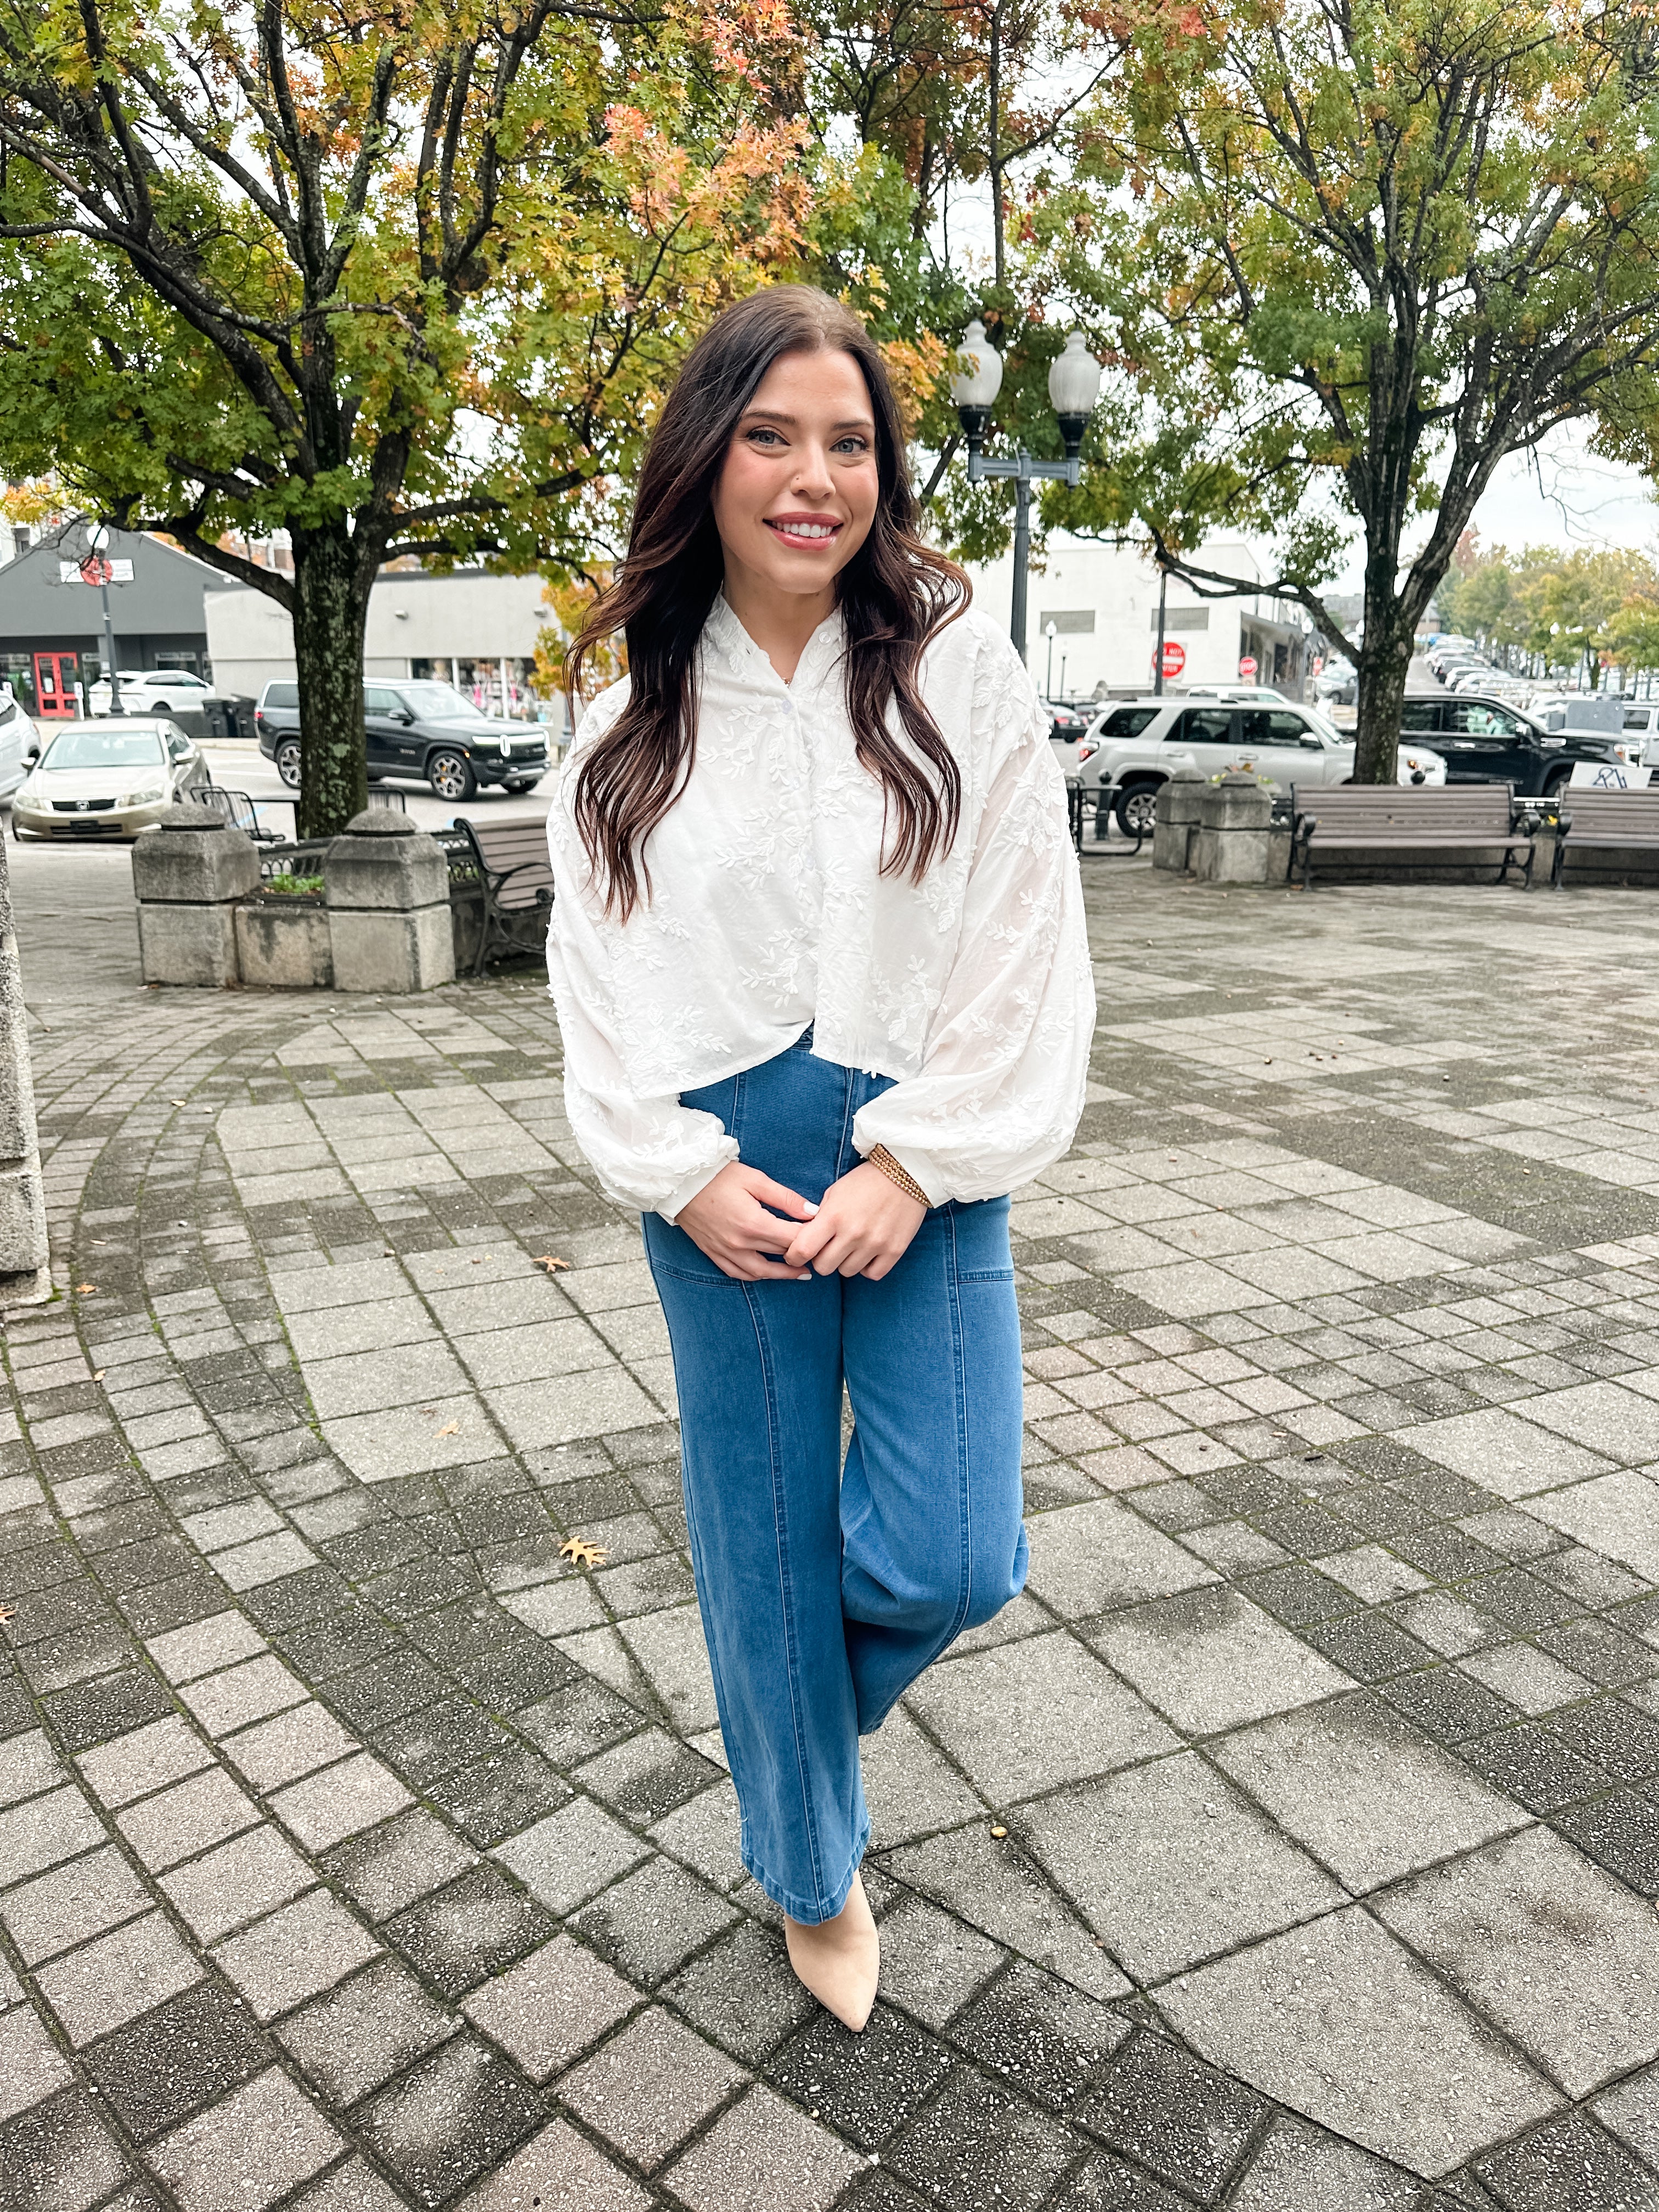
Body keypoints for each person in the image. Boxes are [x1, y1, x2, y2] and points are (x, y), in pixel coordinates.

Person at [546, 285, 1094, 2032]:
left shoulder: (955, 654)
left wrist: (923, 1162)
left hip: (918, 1145)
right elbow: (593, 954)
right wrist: (671, 1168)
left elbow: (1025, 926)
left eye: (848, 442)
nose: (813, 476)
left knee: (953, 1553)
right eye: (772, 435)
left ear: (887, 467)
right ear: (708, 456)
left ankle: (784, 1713)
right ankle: (808, 1862)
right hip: (719, 1160)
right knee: (764, 1530)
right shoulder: (621, 680)